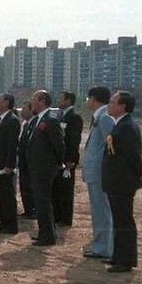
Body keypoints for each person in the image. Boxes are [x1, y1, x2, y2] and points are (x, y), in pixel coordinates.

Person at [102, 91, 142, 272]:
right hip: (115, 181)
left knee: (124, 221)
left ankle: (126, 260)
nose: (109, 105)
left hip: (122, 182)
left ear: (122, 107)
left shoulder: (127, 127)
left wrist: (139, 173)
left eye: (112, 102)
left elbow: (133, 157)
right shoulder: (119, 125)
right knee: (119, 221)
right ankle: (118, 255)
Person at [26, 90, 65, 246]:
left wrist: (56, 163)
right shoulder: (39, 119)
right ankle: (44, 232)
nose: (32, 103)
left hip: (44, 168)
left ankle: (47, 236)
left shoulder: (50, 119)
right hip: (37, 167)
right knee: (41, 202)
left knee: (43, 202)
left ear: (42, 101)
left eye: (34, 99)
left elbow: (58, 144)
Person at [81, 86, 114, 259]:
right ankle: (101, 245)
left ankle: (103, 248)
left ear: (93, 98)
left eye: (88, 98)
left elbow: (112, 146)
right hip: (96, 172)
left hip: (100, 172)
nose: (87, 102)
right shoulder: (100, 116)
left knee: (101, 210)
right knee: (99, 210)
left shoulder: (104, 117)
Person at [0, 94, 20, 234]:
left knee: (7, 195)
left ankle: (11, 225)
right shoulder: (1, 119)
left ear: (6, 102)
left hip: (4, 166)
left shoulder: (12, 120)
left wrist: (10, 166)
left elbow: (12, 146)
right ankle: (2, 222)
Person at [52, 91, 83, 227]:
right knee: (57, 189)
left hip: (67, 161)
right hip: (58, 159)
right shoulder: (59, 116)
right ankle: (57, 216)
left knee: (66, 190)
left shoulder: (74, 117)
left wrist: (70, 159)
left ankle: (65, 219)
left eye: (61, 98)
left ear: (68, 101)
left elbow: (74, 140)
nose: (59, 101)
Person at [17, 104, 37, 219]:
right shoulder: (26, 124)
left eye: (24, 109)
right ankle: (28, 209)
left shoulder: (35, 124)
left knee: (31, 186)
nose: (22, 112)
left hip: (31, 162)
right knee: (24, 186)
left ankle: (33, 209)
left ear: (31, 110)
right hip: (23, 161)